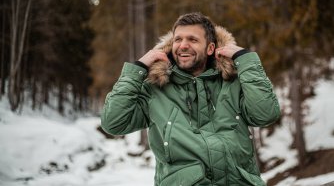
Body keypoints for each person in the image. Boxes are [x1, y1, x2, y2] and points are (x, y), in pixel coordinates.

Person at [101, 12, 281, 186]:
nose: (183, 45)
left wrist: (247, 60)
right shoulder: (155, 90)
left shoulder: (234, 82)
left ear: (210, 48)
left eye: (192, 40)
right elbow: (113, 123)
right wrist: (137, 69)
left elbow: (266, 114)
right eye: (178, 39)